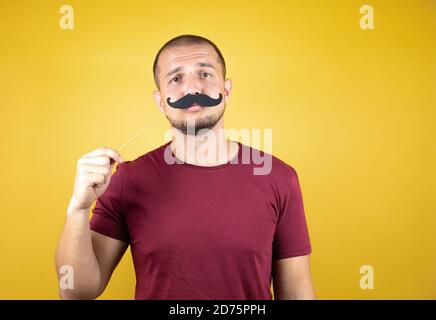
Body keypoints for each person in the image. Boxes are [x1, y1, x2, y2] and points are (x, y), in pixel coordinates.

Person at [55, 34, 315, 300]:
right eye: (176, 79)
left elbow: (296, 294)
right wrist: (78, 208)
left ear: (226, 89)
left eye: (204, 74)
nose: (192, 89)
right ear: (160, 100)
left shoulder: (279, 178)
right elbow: (76, 292)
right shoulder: (127, 180)